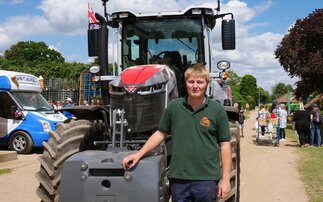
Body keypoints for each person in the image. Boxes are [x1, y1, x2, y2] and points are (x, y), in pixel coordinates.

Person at [122, 64, 232, 201]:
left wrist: (226, 179)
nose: (195, 86)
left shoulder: (217, 110)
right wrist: (138, 154)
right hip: (179, 179)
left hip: (207, 180)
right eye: (191, 81)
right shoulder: (174, 107)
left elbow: (225, 144)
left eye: (200, 82)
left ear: (207, 84)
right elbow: (160, 134)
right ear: (185, 83)